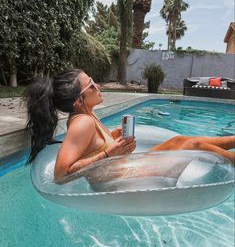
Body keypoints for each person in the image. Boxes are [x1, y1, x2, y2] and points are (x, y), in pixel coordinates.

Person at [25, 69, 235, 184]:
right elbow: (60, 175)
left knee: (181, 141)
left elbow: (94, 147)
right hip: (122, 181)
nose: (97, 86)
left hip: (127, 170)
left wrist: (113, 137)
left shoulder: (89, 115)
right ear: (79, 100)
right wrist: (107, 154)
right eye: (91, 85)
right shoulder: (82, 123)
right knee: (189, 143)